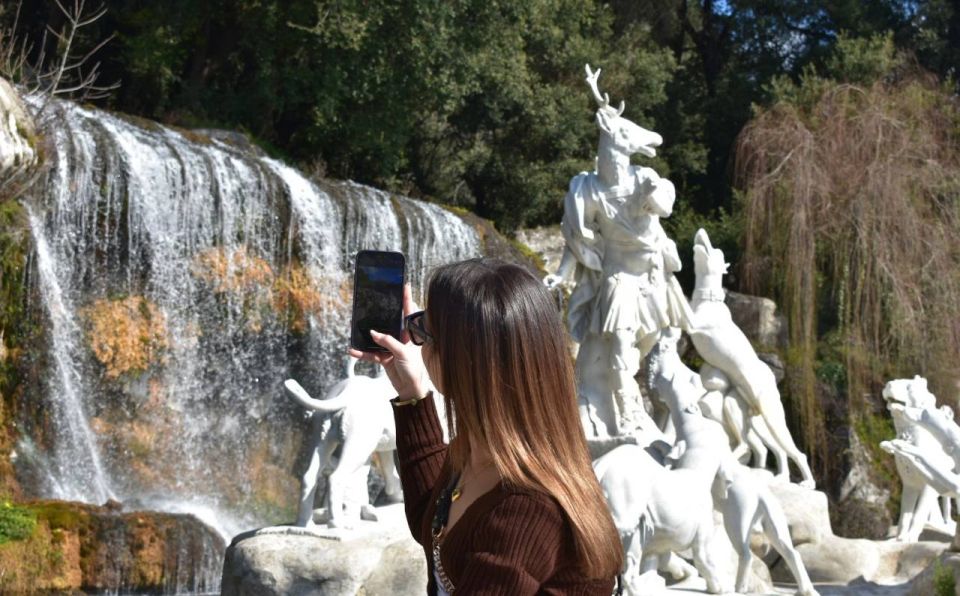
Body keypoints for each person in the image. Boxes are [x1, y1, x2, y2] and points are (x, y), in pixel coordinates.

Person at [350, 258, 622, 595]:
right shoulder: (475, 451)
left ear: (466, 361)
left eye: (422, 330)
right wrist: (412, 394)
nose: (414, 340)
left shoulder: (527, 509)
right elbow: (433, 525)